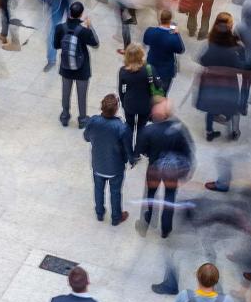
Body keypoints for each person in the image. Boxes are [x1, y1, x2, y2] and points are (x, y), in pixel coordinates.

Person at [135, 98, 194, 239]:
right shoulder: (179, 128)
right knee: (169, 196)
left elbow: (140, 150)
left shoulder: (148, 131)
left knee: (150, 195)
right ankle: (166, 228)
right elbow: (188, 150)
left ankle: (146, 224)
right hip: (172, 171)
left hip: (154, 168)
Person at [83, 94, 133, 225]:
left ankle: (99, 213)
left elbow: (86, 137)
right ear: (116, 109)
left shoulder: (93, 121)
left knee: (98, 189)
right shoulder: (121, 127)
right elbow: (128, 149)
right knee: (115, 192)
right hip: (115, 167)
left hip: (98, 164)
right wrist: (130, 159)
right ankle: (116, 217)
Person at [196, 12, 245, 141]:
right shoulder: (234, 49)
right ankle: (234, 131)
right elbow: (240, 67)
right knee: (232, 106)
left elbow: (202, 60)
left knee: (211, 107)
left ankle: (209, 132)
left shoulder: (210, 44)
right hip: (229, 83)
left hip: (211, 81)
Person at [54, 1, 99, 128]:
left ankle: (65, 116)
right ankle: (82, 119)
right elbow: (96, 44)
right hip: (82, 68)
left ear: (70, 13)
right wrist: (90, 26)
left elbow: (56, 45)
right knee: (82, 95)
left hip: (65, 66)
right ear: (81, 14)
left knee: (65, 93)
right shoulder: (84, 31)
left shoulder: (60, 28)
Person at [118, 43, 160, 150]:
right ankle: (137, 151)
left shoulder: (123, 71)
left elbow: (121, 90)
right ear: (141, 55)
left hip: (129, 104)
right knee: (141, 128)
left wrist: (123, 103)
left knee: (129, 128)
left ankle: (128, 150)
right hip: (145, 105)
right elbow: (159, 85)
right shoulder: (149, 69)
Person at [143, 10, 185, 95]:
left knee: (148, 92)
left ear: (160, 19)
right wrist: (177, 34)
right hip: (166, 72)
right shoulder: (173, 37)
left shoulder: (150, 31)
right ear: (170, 20)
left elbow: (145, 41)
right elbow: (181, 50)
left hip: (150, 66)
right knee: (162, 95)